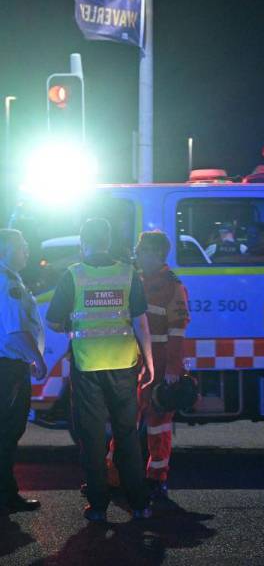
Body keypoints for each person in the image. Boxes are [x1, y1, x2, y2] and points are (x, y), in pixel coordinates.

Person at [46, 219, 154, 522]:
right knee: (127, 436)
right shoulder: (127, 273)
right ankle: (139, 504)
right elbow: (140, 322)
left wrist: (72, 325)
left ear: (83, 241)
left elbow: (53, 322)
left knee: (92, 439)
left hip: (88, 367)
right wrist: (150, 362)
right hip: (124, 366)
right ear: (108, 240)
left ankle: (98, 507)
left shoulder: (73, 276)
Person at [107, 231, 190, 500]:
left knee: (158, 424)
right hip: (134, 362)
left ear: (155, 253)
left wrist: (173, 371)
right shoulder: (138, 280)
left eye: (142, 250)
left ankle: (156, 477)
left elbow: (177, 331)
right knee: (124, 422)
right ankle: (113, 477)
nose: (137, 254)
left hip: (159, 362)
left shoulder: (172, 286)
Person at [0, 229, 46, 516]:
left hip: (8, 367)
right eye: (22, 246)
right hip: (8, 369)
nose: (27, 252)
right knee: (7, 432)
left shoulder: (10, 280)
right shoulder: (7, 283)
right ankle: (7, 495)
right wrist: (37, 360)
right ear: (6, 248)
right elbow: (15, 332)